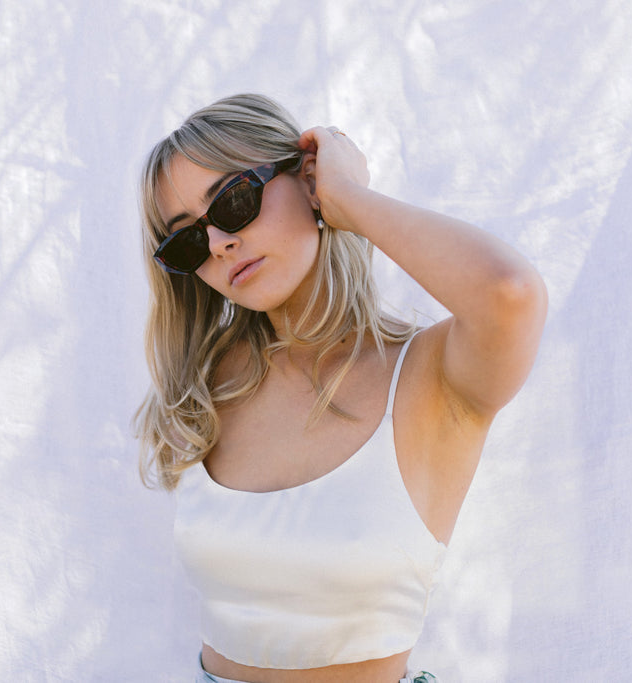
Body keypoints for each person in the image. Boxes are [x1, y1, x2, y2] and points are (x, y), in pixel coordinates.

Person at [134, 94, 547, 683]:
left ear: (309, 181)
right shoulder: (204, 390)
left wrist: (349, 197)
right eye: (188, 241)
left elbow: (510, 291)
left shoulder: (431, 375)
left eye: (234, 201)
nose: (220, 242)